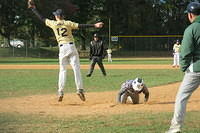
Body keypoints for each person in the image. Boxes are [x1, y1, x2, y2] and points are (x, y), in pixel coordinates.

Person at [28, 0, 104, 102]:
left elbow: (41, 18)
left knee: (62, 70)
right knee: (76, 69)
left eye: (55, 15)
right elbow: (81, 26)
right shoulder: (68, 23)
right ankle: (80, 89)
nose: (55, 16)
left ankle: (60, 91)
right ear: (63, 16)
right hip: (71, 47)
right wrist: (94, 25)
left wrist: (33, 8)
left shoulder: (53, 23)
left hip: (62, 48)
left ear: (57, 16)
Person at [166, 2, 200, 133]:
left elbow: (185, 52)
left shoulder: (191, 29)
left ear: (190, 15)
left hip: (196, 69)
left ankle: (175, 128)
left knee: (182, 97)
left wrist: (185, 68)